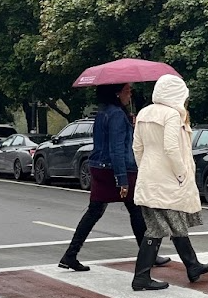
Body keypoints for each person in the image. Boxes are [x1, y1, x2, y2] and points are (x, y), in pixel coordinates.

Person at [58, 82, 171, 273]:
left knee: (96, 212)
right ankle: (148, 255)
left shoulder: (103, 112)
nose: (130, 94)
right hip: (116, 169)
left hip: (99, 167)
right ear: (117, 93)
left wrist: (129, 125)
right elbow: (117, 148)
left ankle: (70, 255)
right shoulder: (117, 115)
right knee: (136, 211)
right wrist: (122, 179)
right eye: (127, 91)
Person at [130, 73, 208, 290]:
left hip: (149, 178)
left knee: (168, 225)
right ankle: (141, 278)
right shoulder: (171, 115)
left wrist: (146, 169)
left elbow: (137, 148)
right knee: (158, 228)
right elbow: (171, 148)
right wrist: (181, 174)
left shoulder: (144, 112)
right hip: (168, 180)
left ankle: (192, 265)